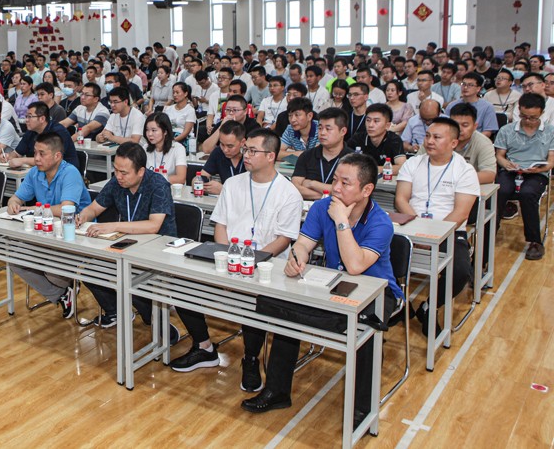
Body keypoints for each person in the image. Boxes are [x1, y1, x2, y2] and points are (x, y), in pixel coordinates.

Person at [243, 154, 401, 420]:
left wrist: (341, 221)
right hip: (333, 283)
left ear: (366, 190)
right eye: (335, 180)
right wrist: (297, 258)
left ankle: (362, 410)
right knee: (284, 309)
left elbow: (355, 265)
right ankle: (277, 391)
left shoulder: (380, 222)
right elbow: (303, 244)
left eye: (345, 183)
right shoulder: (321, 207)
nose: (335, 188)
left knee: (366, 331)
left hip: (377, 291)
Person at [171, 129, 301, 383]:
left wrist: (252, 262)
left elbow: (283, 240)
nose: (246, 155)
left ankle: (250, 359)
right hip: (227, 257)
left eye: (253, 151)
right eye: (245, 149)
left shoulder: (288, 193)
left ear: (271, 156)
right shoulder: (233, 184)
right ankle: (204, 346)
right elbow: (220, 225)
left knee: (254, 300)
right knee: (181, 283)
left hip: (265, 265)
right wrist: (227, 258)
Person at [75, 143, 177, 333]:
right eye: (115, 170)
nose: (118, 176)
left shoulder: (158, 185)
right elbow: (94, 208)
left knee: (129, 279)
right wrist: (82, 216)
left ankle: (156, 321)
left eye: (124, 172)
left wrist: (113, 226)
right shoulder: (117, 182)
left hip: (158, 249)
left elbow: (153, 226)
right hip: (128, 245)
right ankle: (117, 312)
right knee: (90, 271)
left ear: (141, 171)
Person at [395, 117, 479, 334]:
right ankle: (399, 303)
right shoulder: (413, 163)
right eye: (427, 136)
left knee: (461, 271)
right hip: (411, 228)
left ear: (453, 143)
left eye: (437, 137)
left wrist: (433, 236)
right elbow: (401, 199)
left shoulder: (465, 170)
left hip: (449, 232)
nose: (429, 141)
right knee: (379, 256)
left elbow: (461, 213)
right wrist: (418, 231)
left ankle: (430, 305)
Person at [6, 132, 94, 318]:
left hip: (76, 236)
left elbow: (66, 209)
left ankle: (65, 285)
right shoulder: (35, 173)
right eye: (35, 153)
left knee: (52, 272)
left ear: (57, 156)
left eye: (42, 154)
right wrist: (13, 203)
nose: (36, 158)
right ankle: (61, 295)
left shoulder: (70, 173)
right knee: (15, 260)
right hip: (46, 233)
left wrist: (33, 208)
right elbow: (16, 197)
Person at [494, 92, 554, 261]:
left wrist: (539, 169)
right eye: (524, 116)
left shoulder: (550, 131)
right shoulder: (507, 130)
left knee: (528, 193)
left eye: (533, 117)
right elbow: (499, 155)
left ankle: (534, 241)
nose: (528, 121)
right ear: (519, 111)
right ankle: (490, 231)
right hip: (511, 169)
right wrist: (507, 164)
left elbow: (551, 161)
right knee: (500, 190)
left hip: (537, 172)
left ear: (542, 112)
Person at [291, 107, 353, 200]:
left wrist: (312, 183)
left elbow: (347, 191)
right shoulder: (307, 155)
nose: (322, 133)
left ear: (343, 131)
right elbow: (295, 187)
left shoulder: (353, 160)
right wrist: (325, 196)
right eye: (320, 128)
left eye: (328, 129)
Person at [6, 102, 77, 168]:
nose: (26, 120)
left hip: (64, 170)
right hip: (39, 169)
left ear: (42, 119)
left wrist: (23, 160)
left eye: (30, 117)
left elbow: (50, 160)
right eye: (26, 116)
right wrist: (10, 156)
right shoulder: (31, 131)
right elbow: (17, 153)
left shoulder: (58, 132)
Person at [346, 104, 406, 173]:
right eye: (368, 120)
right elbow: (343, 161)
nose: (370, 125)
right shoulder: (357, 138)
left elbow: (402, 167)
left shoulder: (394, 140)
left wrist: (371, 169)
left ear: (387, 125)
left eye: (376, 121)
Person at [195, 119, 246, 195]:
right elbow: (201, 176)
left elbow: (255, 193)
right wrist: (198, 182)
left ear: (242, 142)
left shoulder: (252, 157)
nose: (225, 150)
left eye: (230, 146)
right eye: (222, 144)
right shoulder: (218, 152)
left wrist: (224, 189)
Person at [444, 72, 499, 138]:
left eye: (470, 85)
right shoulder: (452, 105)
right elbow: (445, 126)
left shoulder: (487, 107)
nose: (465, 87)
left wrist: (469, 140)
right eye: (463, 84)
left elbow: (487, 132)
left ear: (478, 88)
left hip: (476, 140)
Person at [143, 112, 187, 184]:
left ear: (165, 132)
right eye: (147, 130)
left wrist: (156, 179)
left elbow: (181, 178)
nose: (149, 134)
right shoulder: (145, 148)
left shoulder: (178, 148)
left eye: (154, 130)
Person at [162, 82, 197, 147]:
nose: (175, 95)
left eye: (177, 92)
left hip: (183, 138)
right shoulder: (167, 109)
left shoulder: (190, 110)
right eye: (173, 92)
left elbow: (186, 132)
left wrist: (172, 141)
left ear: (185, 94)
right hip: (168, 136)